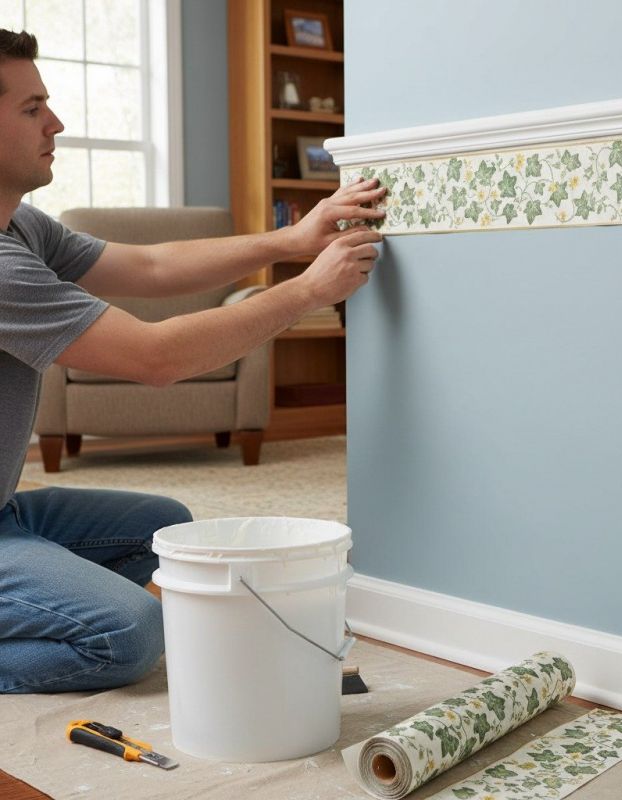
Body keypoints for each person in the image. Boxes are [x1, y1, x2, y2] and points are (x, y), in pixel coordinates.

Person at [0, 29, 385, 693]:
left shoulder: (22, 226)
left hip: (6, 512)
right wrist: (309, 290)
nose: (55, 123)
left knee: (165, 529)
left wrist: (292, 237)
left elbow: (149, 264)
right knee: (129, 633)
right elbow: (156, 357)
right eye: (32, 109)